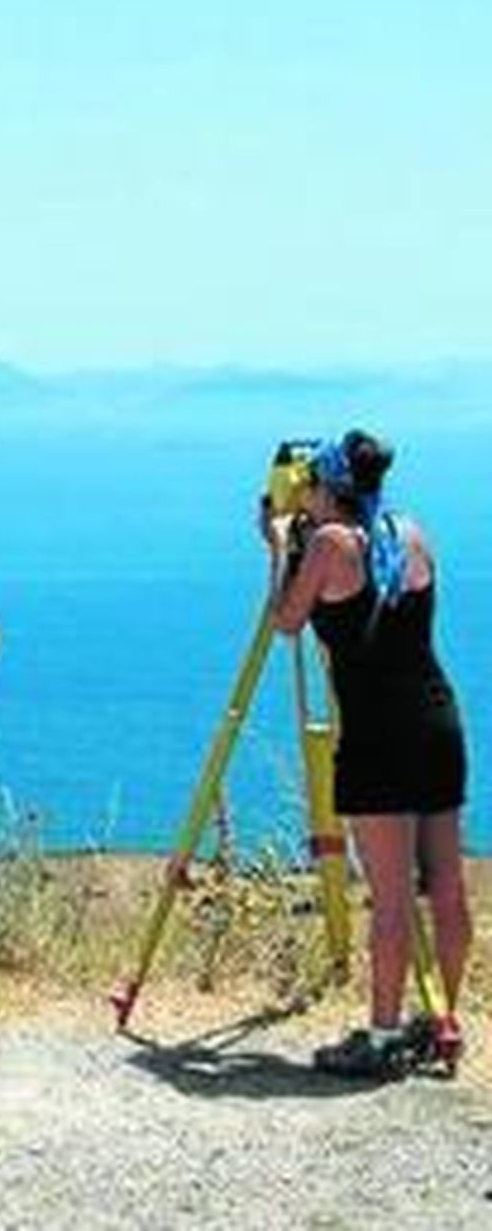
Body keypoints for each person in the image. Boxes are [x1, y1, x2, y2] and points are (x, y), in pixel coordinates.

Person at [261, 429, 471, 1078]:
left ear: (326, 487)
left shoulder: (328, 544)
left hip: (380, 734)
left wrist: (278, 546)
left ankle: (381, 1039)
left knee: (390, 899)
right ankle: (439, 1021)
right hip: (436, 720)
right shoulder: (408, 532)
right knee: (445, 886)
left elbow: (286, 621)